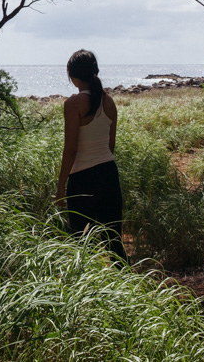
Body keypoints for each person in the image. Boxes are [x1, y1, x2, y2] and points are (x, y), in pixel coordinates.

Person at [56, 49, 127, 261]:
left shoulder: (73, 104)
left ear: (72, 74)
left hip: (82, 180)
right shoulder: (109, 102)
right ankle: (130, 289)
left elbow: (71, 149)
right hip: (108, 173)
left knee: (80, 245)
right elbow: (110, 145)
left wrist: (61, 186)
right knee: (114, 243)